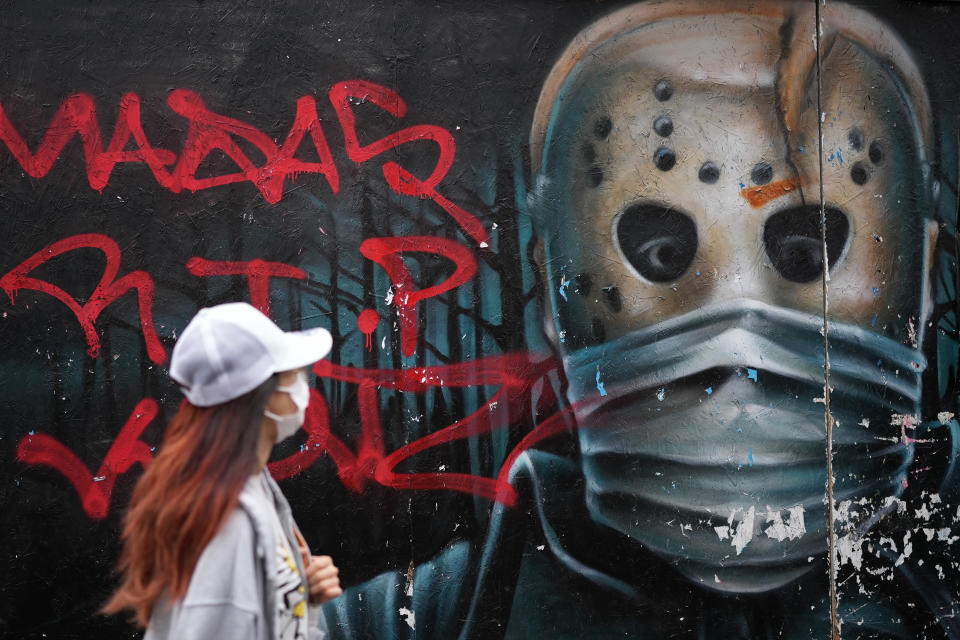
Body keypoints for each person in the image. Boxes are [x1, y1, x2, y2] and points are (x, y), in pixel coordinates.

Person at [103, 301, 343, 640]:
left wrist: (302, 598)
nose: (304, 385)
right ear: (260, 395)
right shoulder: (229, 522)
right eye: (293, 374)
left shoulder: (248, 485)